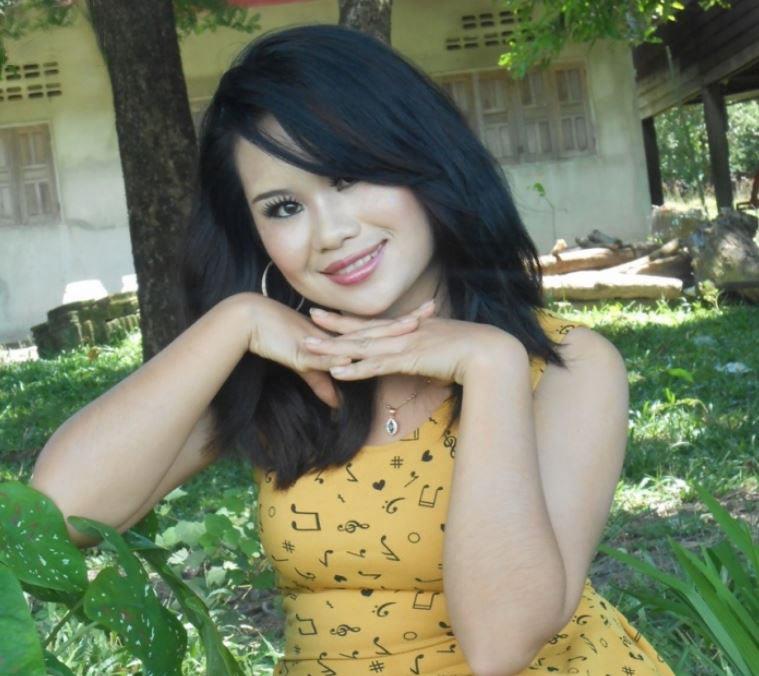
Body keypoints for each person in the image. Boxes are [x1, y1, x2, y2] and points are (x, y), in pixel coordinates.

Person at [30, 23, 676, 676]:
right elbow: (55, 521)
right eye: (283, 207)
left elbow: (501, 646)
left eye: (347, 177)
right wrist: (235, 322)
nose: (331, 232)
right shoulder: (278, 370)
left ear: (426, 162)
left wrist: (490, 367)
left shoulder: (565, 366)